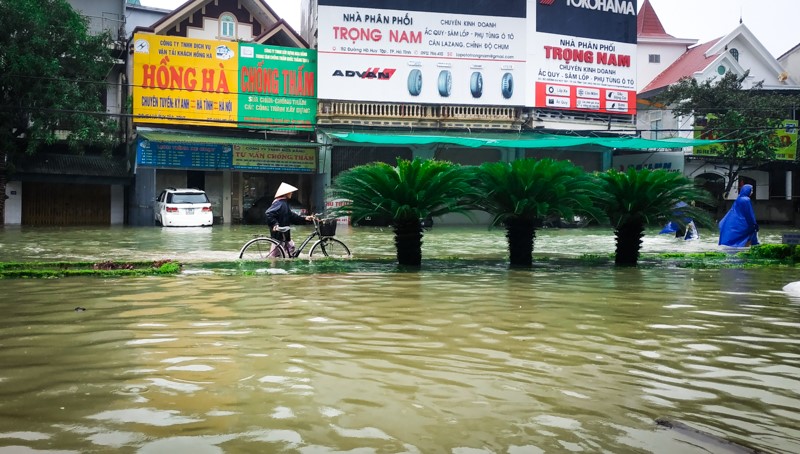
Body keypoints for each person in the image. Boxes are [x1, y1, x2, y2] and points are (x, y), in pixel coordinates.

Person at [264, 182, 313, 255]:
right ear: (286, 193)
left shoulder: (283, 203)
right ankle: (274, 264)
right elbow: (268, 213)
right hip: (279, 233)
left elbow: (291, 216)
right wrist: (275, 224)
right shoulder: (279, 203)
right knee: (274, 255)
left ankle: (285, 260)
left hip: (284, 233)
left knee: (291, 247)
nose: (291, 194)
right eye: (290, 192)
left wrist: (305, 218)